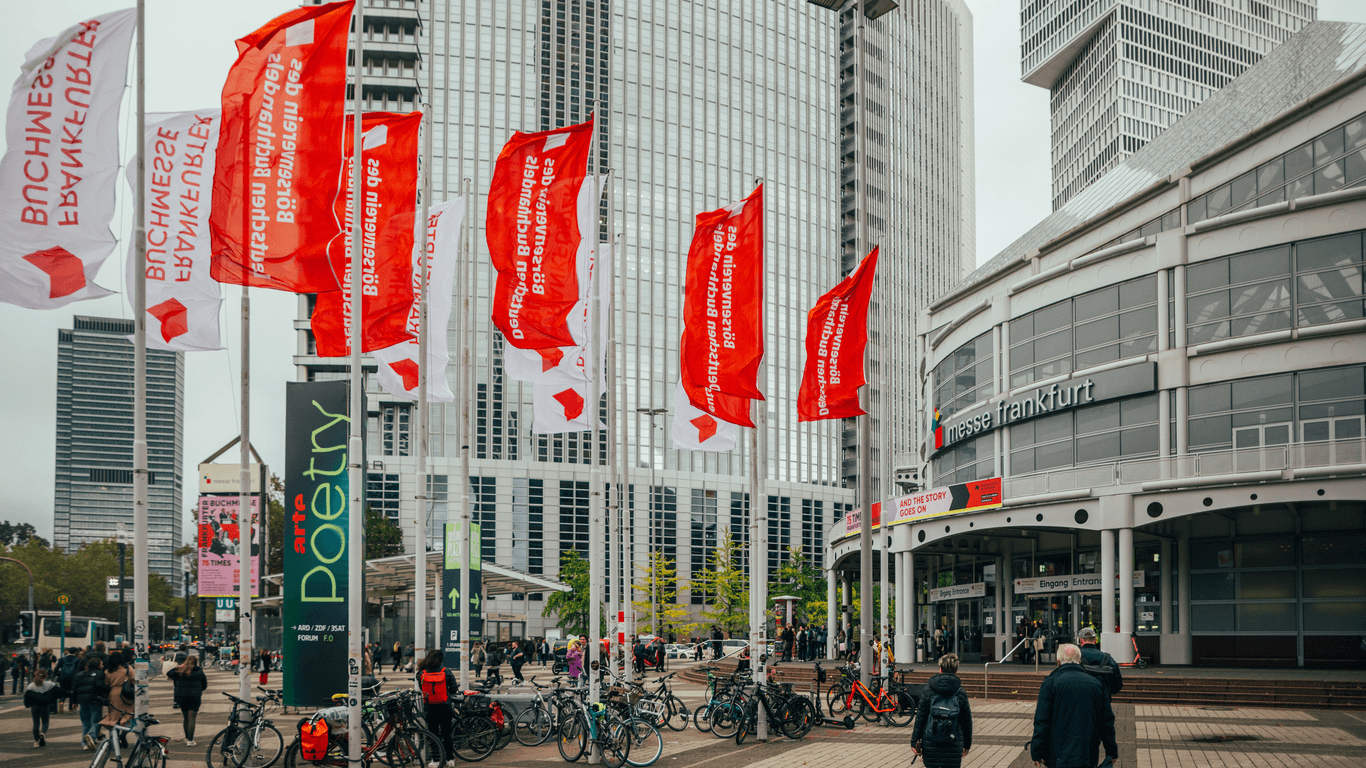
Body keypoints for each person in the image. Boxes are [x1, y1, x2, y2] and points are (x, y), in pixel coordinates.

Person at [1030, 644, 1118, 768]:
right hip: (1087, 751)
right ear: (1080, 661)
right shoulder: (1097, 684)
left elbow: (1041, 721)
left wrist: (1036, 752)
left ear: (1058, 661)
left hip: (1057, 753)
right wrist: (1111, 752)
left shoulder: (1050, 684)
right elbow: (1107, 722)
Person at [911, 653, 973, 768]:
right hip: (953, 743)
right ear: (956, 671)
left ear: (940, 669)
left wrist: (914, 741)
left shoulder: (928, 691)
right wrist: (967, 744)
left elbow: (920, 718)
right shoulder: (960, 693)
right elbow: (966, 722)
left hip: (930, 742)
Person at [418, 649, 458, 764]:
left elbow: (422, 689)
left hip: (430, 707)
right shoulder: (447, 671)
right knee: (446, 733)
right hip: (445, 706)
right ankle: (450, 759)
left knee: (433, 734)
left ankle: (435, 760)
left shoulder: (422, 673)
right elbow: (454, 689)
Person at [167, 655, 208, 746]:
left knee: (186, 717)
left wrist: (180, 666)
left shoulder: (180, 671)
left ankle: (187, 737)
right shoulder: (199, 671)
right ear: (196, 662)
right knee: (192, 717)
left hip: (182, 697)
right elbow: (204, 686)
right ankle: (190, 740)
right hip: (195, 697)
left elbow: (169, 673)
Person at [101, 655, 135, 748]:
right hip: (126, 694)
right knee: (129, 715)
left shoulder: (108, 671)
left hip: (113, 695)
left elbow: (106, 684)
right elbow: (134, 680)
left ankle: (114, 739)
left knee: (114, 718)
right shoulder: (128, 668)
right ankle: (124, 733)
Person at [1076, 627, 1123, 696]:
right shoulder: (1107, 658)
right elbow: (1118, 684)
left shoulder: (1075, 658)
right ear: (1095, 640)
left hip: (1081, 699)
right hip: (1103, 701)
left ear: (1081, 640)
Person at [73, 657, 107, 749]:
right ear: (98, 665)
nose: (103, 665)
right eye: (101, 663)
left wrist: (74, 701)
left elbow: (74, 688)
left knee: (85, 722)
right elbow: (100, 687)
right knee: (96, 721)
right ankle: (91, 736)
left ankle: (85, 744)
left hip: (82, 701)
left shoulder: (80, 674)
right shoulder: (100, 674)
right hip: (95, 700)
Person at [24, 668, 59, 748]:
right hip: (45, 705)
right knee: (45, 722)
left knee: (36, 723)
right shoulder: (49, 684)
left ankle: (36, 741)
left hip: (34, 706)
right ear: (45, 676)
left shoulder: (31, 686)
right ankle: (42, 733)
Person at [56, 646, 82, 714]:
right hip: (73, 678)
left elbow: (56, 668)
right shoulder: (77, 660)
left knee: (63, 692)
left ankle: (61, 703)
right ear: (75, 652)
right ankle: (71, 709)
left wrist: (58, 675)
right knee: (72, 693)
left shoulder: (62, 659)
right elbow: (79, 670)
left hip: (63, 678)